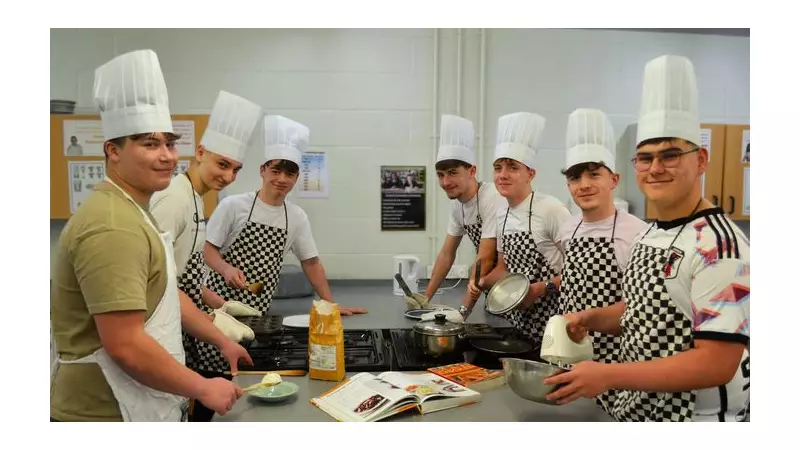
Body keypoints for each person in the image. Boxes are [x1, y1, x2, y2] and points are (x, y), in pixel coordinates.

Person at [544, 55, 750, 422]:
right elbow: (646, 309)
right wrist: (591, 318)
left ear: (701, 159)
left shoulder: (719, 245)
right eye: (645, 158)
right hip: (641, 408)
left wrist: (606, 375)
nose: (655, 168)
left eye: (670, 155)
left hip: (694, 418)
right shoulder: (653, 232)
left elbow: (715, 362)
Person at [50, 49, 252, 422]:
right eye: (149, 144)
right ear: (113, 150)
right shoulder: (112, 225)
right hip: (102, 413)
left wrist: (220, 339)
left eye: (170, 143)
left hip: (136, 400)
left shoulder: (133, 212)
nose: (167, 156)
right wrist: (203, 386)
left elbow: (165, 297)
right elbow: (125, 345)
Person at [200, 114, 367, 375]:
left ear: (297, 177)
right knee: (215, 371)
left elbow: (311, 262)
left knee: (245, 373)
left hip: (259, 314)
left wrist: (329, 306)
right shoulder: (234, 206)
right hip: (217, 308)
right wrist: (225, 269)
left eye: (289, 173)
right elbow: (207, 250)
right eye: (275, 170)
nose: (281, 179)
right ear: (262, 170)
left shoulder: (296, 216)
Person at [149, 90, 263, 421]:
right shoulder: (174, 199)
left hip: (184, 324)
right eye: (222, 164)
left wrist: (220, 305)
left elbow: (185, 274)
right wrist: (217, 333)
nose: (228, 177)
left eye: (236, 169)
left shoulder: (198, 198)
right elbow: (160, 284)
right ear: (200, 152)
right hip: (163, 328)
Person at [554, 108, 648, 414]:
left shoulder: (636, 233)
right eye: (575, 177)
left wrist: (588, 319)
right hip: (572, 353)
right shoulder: (569, 227)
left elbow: (641, 309)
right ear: (567, 185)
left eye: (594, 174)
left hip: (617, 362)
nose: (584, 184)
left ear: (614, 179)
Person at [472, 112, 571, 349]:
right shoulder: (501, 212)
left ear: (531, 174)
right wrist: (482, 281)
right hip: (518, 324)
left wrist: (540, 289)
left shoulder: (551, 209)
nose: (503, 175)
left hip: (554, 324)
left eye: (513, 168)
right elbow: (504, 268)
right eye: (498, 168)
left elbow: (580, 270)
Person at [410, 115, 502, 317]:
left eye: (452, 173)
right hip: (489, 288)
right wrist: (426, 298)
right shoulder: (457, 205)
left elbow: (484, 259)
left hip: (512, 284)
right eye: (441, 175)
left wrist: (463, 313)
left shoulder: (492, 197)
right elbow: (446, 254)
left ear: (472, 171)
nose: (445, 182)